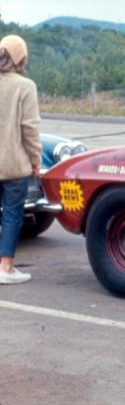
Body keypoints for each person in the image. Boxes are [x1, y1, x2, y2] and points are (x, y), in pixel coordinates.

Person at [0, 35, 41, 284]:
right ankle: (5, 267)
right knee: (12, 215)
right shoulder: (25, 86)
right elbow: (30, 129)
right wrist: (36, 161)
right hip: (13, 165)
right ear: (20, 58)